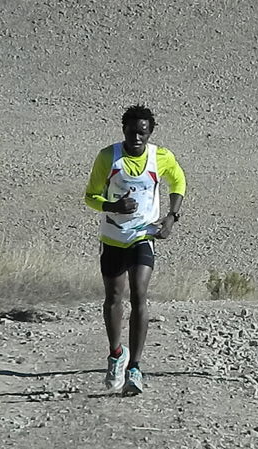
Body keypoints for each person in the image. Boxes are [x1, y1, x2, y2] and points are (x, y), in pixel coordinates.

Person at [84, 104, 186, 394]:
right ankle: (116, 354)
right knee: (113, 298)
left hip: (143, 235)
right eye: (131, 131)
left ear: (150, 132)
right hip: (113, 237)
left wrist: (171, 217)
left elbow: (179, 181)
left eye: (142, 132)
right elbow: (89, 196)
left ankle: (135, 368)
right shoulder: (108, 157)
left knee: (140, 293)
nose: (136, 138)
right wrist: (112, 206)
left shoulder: (161, 157)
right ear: (123, 130)